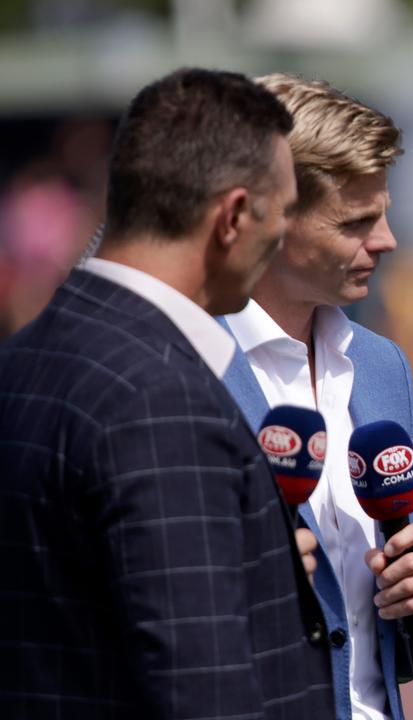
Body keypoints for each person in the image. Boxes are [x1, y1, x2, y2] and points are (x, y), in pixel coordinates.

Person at [0, 68, 333, 718]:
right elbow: (205, 691)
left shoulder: (25, 359)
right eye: (285, 211)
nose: (285, 235)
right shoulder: (158, 398)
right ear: (234, 216)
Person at [219, 73, 413, 720]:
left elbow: (392, 651)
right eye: (355, 222)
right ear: (263, 219)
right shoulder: (181, 364)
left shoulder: (381, 368)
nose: (386, 241)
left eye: (383, 213)